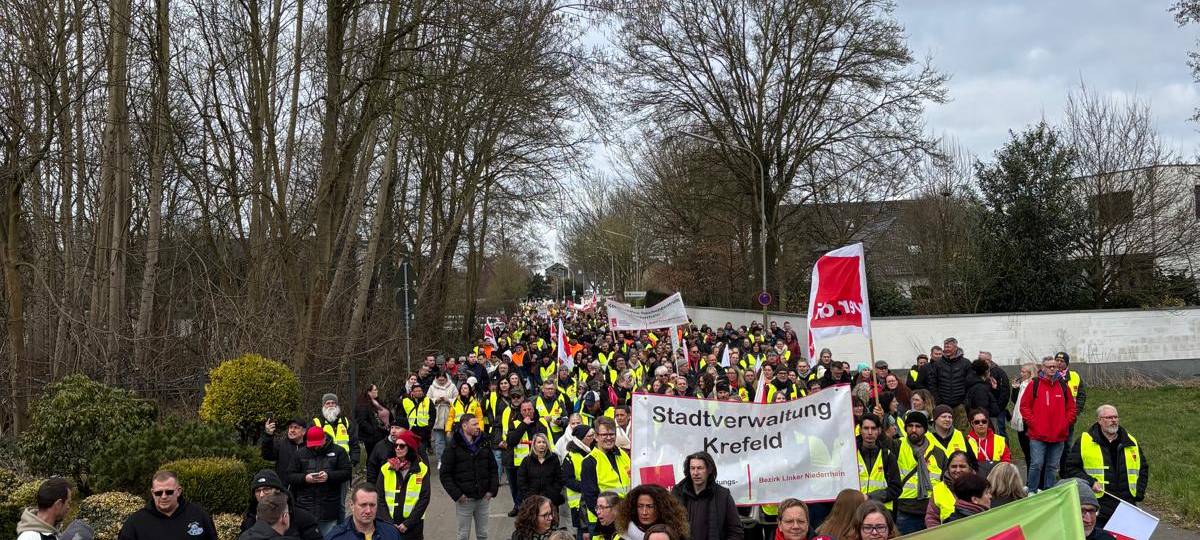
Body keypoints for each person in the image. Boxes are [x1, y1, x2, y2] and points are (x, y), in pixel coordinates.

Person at [1063, 404, 1149, 528]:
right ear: (1099, 420)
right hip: (1099, 506)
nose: (1113, 420)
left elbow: (1143, 469)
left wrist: (1139, 492)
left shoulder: (1130, 441)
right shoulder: (1085, 441)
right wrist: (1091, 482)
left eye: (1115, 417)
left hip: (1126, 505)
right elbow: (1070, 468)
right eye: (1109, 417)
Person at [1019, 355, 1076, 493]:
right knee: (1036, 464)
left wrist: (1065, 423)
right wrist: (1033, 423)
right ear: (1042, 368)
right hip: (1038, 434)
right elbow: (1024, 406)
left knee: (1052, 466)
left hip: (1058, 435)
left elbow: (1071, 407)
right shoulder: (1035, 384)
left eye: (1054, 366)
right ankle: (1032, 490)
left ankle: (1048, 492)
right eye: (1049, 366)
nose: (1052, 369)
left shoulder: (1063, 385)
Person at [441, 415, 499, 540]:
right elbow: (445, 475)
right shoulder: (453, 447)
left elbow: (493, 469)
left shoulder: (484, 443)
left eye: (478, 424)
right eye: (474, 424)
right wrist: (458, 495)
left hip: (483, 498)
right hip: (465, 500)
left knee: (483, 535)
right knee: (463, 536)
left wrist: (491, 491)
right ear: (464, 426)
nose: (478, 427)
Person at [287, 426, 352, 535]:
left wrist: (329, 476)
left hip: (329, 508)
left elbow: (347, 472)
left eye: (318, 444)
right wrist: (305, 478)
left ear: (324, 439)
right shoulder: (299, 454)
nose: (315, 447)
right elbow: (289, 475)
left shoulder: (339, 451)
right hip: (305, 507)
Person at [117, 470, 218, 540]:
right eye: (158, 493)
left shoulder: (199, 515)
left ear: (178, 491)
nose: (164, 496)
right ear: (152, 493)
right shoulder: (135, 523)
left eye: (169, 492)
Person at [670, 451, 742, 540]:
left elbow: (735, 531)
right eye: (692, 468)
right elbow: (667, 525)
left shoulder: (722, 495)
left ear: (709, 470)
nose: (695, 473)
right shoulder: (677, 493)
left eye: (700, 468)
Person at [375, 430, 430, 539]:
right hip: (389, 524)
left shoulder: (422, 469)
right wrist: (389, 523)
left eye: (402, 446)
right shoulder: (386, 468)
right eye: (396, 446)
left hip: (413, 525)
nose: (398, 448)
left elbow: (424, 498)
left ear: (410, 447)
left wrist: (408, 524)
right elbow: (379, 497)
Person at [238, 469, 321, 540]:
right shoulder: (250, 519)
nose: (262, 495)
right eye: (258, 491)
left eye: (266, 489)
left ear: (278, 491)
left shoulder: (303, 517)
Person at [581, 417, 632, 531]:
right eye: (604, 435)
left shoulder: (623, 456)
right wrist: (607, 517)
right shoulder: (589, 461)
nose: (609, 438)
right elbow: (590, 498)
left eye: (612, 434)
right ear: (596, 436)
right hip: (602, 522)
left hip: (625, 518)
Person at [508, 399, 554, 516]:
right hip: (520, 462)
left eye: (529, 409)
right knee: (520, 488)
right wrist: (524, 424)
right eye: (524, 410)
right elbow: (511, 441)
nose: (527, 412)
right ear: (520, 411)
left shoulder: (541, 422)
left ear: (534, 410)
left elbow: (548, 441)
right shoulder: (515, 423)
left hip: (538, 461)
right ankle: (519, 506)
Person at [893, 411, 935, 535]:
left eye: (918, 426)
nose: (914, 429)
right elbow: (881, 442)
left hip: (930, 511)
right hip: (905, 510)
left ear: (925, 429)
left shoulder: (936, 451)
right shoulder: (898, 445)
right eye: (910, 426)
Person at [856, 414, 900, 511]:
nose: (870, 432)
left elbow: (896, 489)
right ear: (860, 430)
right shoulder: (851, 455)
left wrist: (870, 497)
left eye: (873, 428)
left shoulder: (888, 456)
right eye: (866, 428)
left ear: (879, 430)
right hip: (857, 511)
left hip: (882, 511)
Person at [325, 484, 401, 540]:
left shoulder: (391, 532)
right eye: (363, 505)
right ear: (352, 505)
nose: (368, 511)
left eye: (372, 505)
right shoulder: (336, 537)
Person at [616, 484, 690, 540]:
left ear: (661, 508)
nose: (644, 512)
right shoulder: (626, 533)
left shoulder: (674, 533)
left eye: (650, 506)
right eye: (640, 506)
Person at [925, 337, 970, 428]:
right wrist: (938, 400)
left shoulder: (966, 363)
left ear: (955, 347)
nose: (946, 349)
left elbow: (969, 383)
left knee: (961, 431)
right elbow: (932, 383)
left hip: (960, 405)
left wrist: (965, 402)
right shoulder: (938, 364)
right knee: (942, 429)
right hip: (942, 404)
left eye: (948, 347)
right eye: (945, 347)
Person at [924, 451, 974, 529]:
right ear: (948, 468)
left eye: (962, 466)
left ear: (970, 467)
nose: (957, 470)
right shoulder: (938, 489)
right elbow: (932, 518)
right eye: (953, 466)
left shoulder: (980, 486)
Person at [519, 433, 565, 510]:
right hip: (532, 500)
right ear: (534, 444)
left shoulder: (554, 458)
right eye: (539, 442)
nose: (542, 444)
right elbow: (521, 479)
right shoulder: (527, 460)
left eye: (544, 442)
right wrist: (528, 496)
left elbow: (559, 478)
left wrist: (554, 493)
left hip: (551, 499)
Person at [312, 393, 359, 469]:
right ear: (323, 406)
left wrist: (354, 459)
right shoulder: (316, 423)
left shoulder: (346, 422)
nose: (331, 405)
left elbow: (354, 442)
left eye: (333, 403)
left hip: (345, 463)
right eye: (328, 403)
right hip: (324, 464)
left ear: (337, 405)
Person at [1008, 362, 1036, 475]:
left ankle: (1032, 480)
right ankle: (1031, 479)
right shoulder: (1023, 384)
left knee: (1031, 453)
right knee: (1026, 452)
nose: (1021, 373)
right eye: (1021, 371)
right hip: (1020, 421)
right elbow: (1016, 402)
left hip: (1029, 422)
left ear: (1030, 373)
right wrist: (1015, 389)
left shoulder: (1033, 384)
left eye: (1024, 372)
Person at [925, 405, 968, 473]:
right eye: (944, 417)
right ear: (935, 419)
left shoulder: (959, 435)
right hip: (933, 481)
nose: (947, 419)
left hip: (958, 477)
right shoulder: (926, 436)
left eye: (950, 417)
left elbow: (969, 459)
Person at [430, 370, 458, 468]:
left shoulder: (452, 386)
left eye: (443, 378)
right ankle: (440, 460)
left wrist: (448, 400)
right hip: (437, 416)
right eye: (439, 378)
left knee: (449, 441)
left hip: (449, 415)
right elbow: (428, 399)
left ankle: (450, 460)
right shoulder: (432, 387)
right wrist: (436, 400)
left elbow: (457, 399)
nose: (441, 380)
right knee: (438, 442)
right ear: (436, 378)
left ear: (446, 378)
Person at [399, 382, 434, 461]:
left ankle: (424, 467)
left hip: (424, 431)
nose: (418, 392)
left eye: (420, 391)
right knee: (412, 451)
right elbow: (401, 415)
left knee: (422, 452)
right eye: (416, 391)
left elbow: (432, 415)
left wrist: (429, 427)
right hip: (411, 430)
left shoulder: (428, 401)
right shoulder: (405, 401)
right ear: (412, 392)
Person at [355, 384, 390, 462]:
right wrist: (373, 431)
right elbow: (361, 421)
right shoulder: (363, 404)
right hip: (371, 437)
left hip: (383, 433)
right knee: (373, 457)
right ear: (369, 392)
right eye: (375, 390)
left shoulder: (377, 402)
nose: (377, 391)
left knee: (382, 457)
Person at [962, 359, 998, 431]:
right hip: (983, 423)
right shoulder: (980, 388)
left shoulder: (976, 384)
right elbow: (982, 409)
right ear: (986, 372)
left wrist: (993, 389)